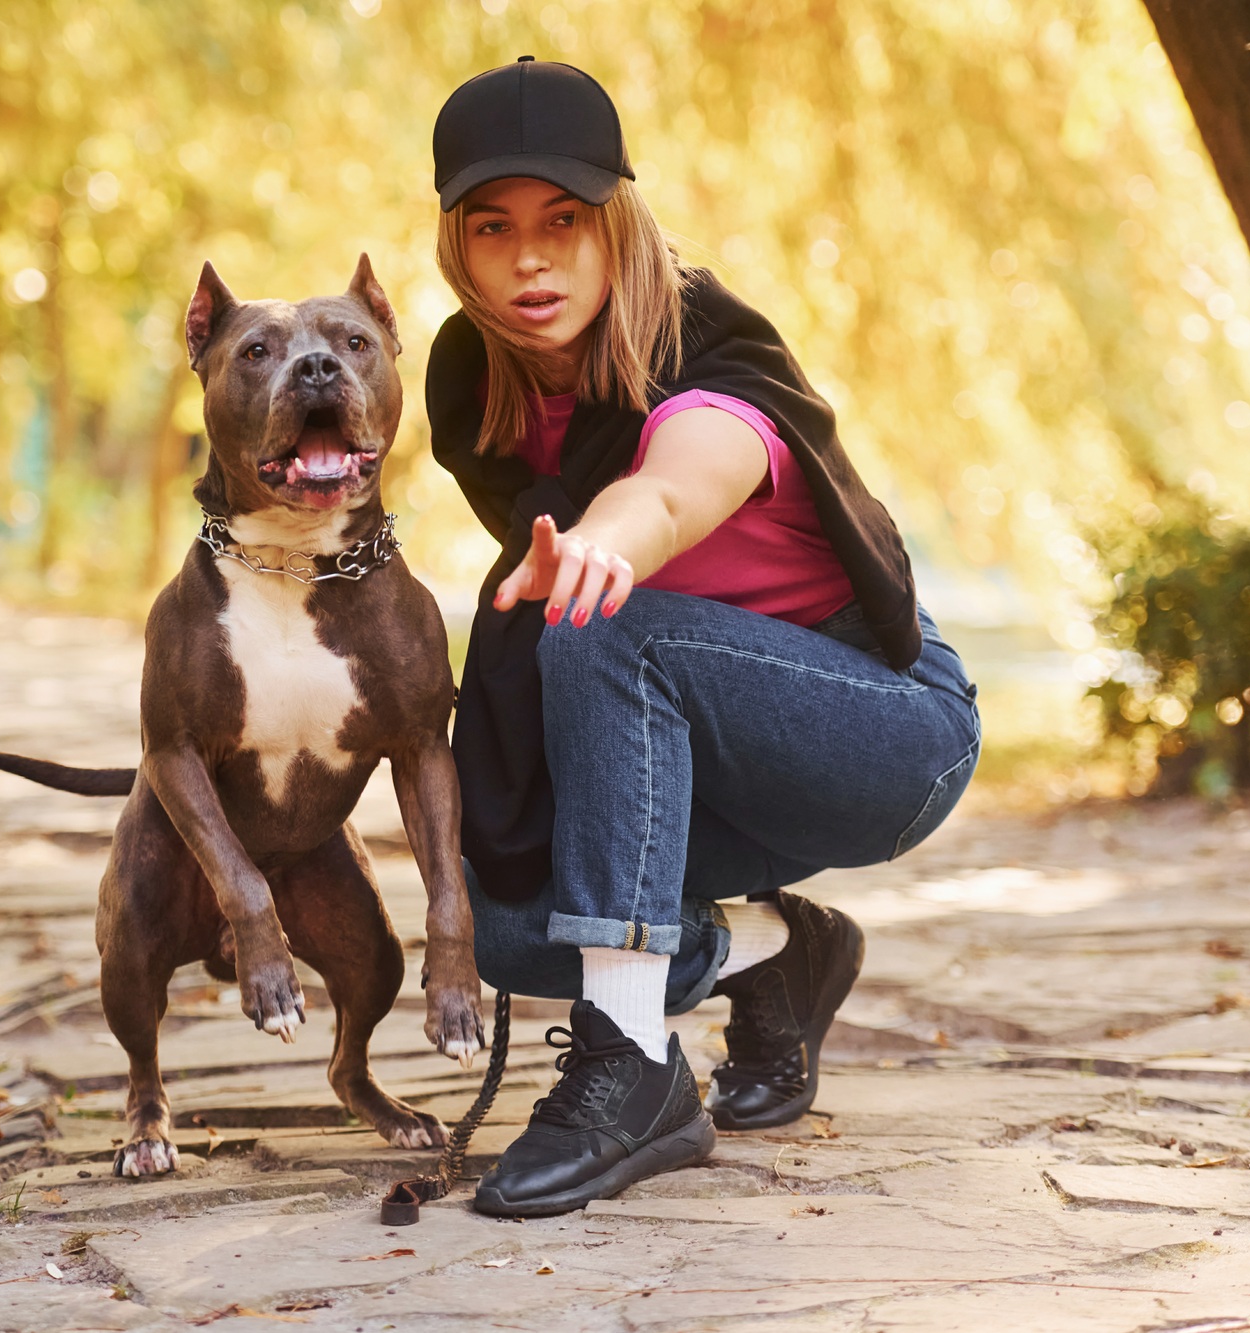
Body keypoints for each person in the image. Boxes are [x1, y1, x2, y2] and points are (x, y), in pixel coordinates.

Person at [424, 57, 982, 1218]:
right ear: (455, 243)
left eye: (563, 220)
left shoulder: (703, 361)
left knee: (602, 626)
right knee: (513, 927)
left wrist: (604, 545)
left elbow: (670, 495)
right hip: (692, 742)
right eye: (494, 226)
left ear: (615, 223)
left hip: (880, 731)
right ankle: (780, 950)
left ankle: (630, 1070)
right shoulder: (473, 383)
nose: (530, 258)